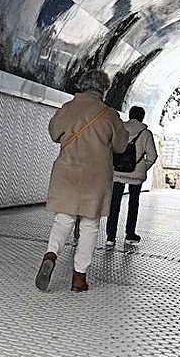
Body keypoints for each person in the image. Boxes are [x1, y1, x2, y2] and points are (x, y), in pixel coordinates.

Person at [36, 70, 129, 292]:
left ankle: (51, 254)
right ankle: (79, 277)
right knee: (89, 225)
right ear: (104, 89)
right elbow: (120, 146)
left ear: (81, 85)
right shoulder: (109, 115)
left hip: (67, 172)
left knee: (63, 219)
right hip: (96, 176)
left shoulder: (68, 108)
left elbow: (54, 133)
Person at [107, 105, 158, 245]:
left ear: (130, 115)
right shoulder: (146, 133)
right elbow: (152, 156)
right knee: (133, 204)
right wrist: (142, 168)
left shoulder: (119, 129)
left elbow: (110, 148)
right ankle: (130, 235)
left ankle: (110, 237)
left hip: (117, 172)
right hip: (136, 176)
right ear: (142, 117)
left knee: (114, 204)